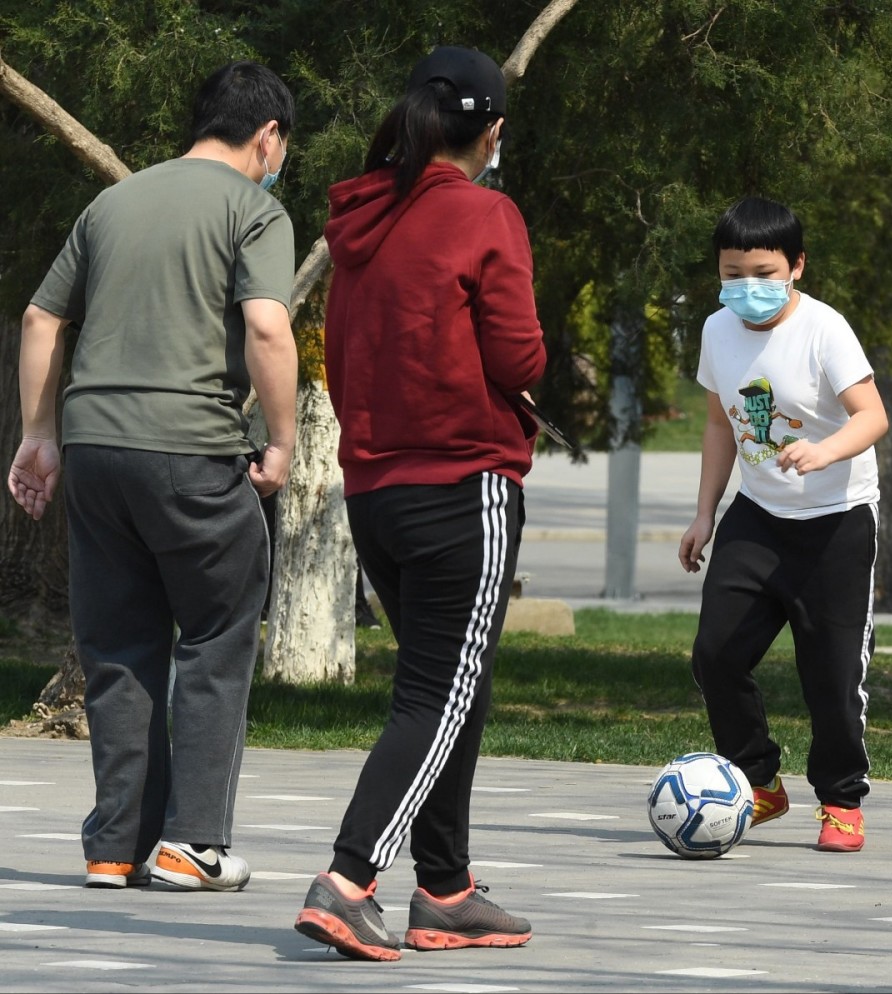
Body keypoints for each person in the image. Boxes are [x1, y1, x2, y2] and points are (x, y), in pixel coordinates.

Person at [7, 61, 299, 891]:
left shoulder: (114, 202)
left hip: (95, 451)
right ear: (268, 135)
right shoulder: (255, 209)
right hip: (192, 449)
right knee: (215, 633)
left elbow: (40, 317)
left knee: (121, 647)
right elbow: (269, 331)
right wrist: (281, 442)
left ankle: (114, 847)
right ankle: (192, 845)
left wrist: (39, 434)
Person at [293, 45, 546, 960]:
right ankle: (348, 878)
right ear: (490, 131)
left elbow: (347, 356)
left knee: (452, 687)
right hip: (462, 480)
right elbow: (519, 361)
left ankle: (443, 888)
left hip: (376, 490)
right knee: (437, 693)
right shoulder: (486, 214)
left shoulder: (362, 214)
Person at [678, 196, 888, 853]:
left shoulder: (825, 330)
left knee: (829, 674)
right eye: (733, 271)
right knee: (715, 654)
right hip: (758, 518)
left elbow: (872, 416)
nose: (749, 286)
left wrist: (823, 452)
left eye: (765, 272)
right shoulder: (717, 330)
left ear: (797, 267)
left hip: (836, 523)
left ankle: (841, 800)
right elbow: (721, 423)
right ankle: (758, 781)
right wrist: (705, 513)